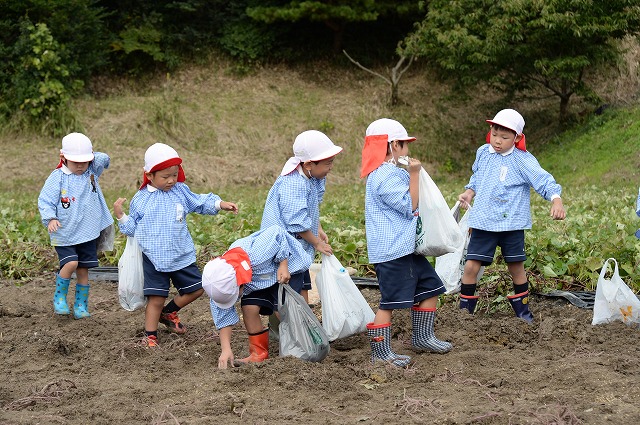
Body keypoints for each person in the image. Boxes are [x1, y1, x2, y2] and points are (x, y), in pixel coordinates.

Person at [113, 142, 238, 347]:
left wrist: (219, 204)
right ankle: (150, 336)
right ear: (149, 175)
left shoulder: (180, 191)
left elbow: (199, 202)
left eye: (174, 174)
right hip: (154, 258)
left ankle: (169, 311)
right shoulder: (141, 199)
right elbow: (132, 229)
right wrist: (121, 216)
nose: (171, 180)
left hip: (181, 254)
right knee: (156, 299)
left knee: (197, 288)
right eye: (165, 177)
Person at [457, 109, 566, 322]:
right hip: (483, 222)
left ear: (517, 138)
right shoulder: (483, 153)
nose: (497, 141)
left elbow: (542, 180)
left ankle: (523, 313)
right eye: (495, 135)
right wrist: (469, 192)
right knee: (471, 266)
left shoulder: (522, 159)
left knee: (516, 267)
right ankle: (464, 314)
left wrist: (556, 199)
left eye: (504, 137)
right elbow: (477, 177)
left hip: (512, 224)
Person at [360, 118, 452, 368]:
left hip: (406, 248)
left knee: (431, 287)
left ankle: (423, 337)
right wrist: (415, 174)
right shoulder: (383, 176)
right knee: (389, 302)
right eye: (405, 144)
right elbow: (409, 205)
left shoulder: (391, 172)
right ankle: (380, 353)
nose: (408, 150)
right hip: (392, 252)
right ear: (393, 146)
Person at [202, 225, 313, 369]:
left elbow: (277, 232)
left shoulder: (257, 254)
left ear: (239, 283)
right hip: (259, 278)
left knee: (283, 311)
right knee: (249, 308)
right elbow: (223, 314)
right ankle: (258, 353)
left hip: (288, 266)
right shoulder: (219, 284)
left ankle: (304, 345)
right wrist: (226, 349)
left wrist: (283, 264)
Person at [260, 130, 342, 303]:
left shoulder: (312, 176)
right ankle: (287, 319)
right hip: (286, 247)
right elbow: (296, 222)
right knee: (289, 290)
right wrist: (317, 243)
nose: (331, 167)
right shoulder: (293, 184)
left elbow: (310, 208)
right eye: (328, 163)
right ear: (309, 164)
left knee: (303, 284)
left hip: (299, 245)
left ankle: (304, 316)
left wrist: (318, 228)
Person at [38, 132, 114, 319]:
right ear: (63, 157)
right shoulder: (58, 177)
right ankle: (60, 297)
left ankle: (81, 305)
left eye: (84, 161)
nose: (80, 166)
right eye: (75, 162)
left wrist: (90, 155)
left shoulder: (91, 172)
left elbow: (105, 159)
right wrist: (50, 218)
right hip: (65, 232)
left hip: (87, 232)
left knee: (83, 269)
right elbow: (45, 200)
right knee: (71, 262)